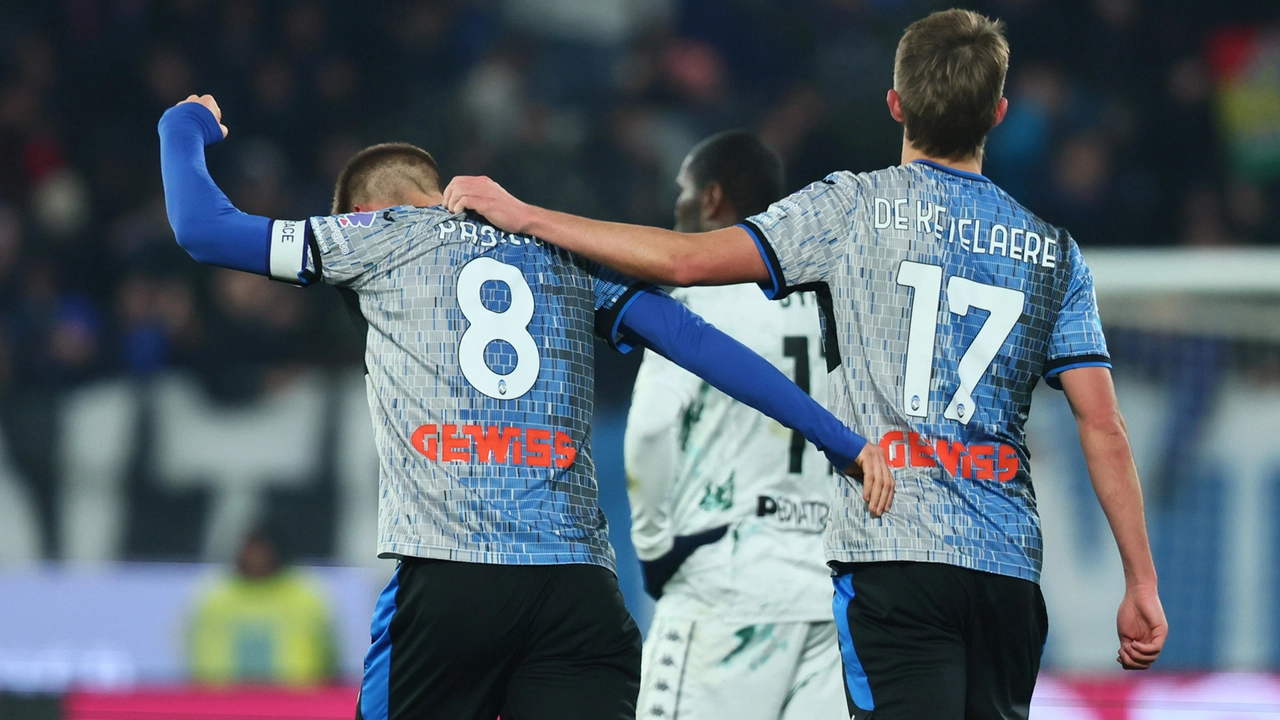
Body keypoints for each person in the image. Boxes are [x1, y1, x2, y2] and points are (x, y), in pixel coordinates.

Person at [441, 8, 1169, 719]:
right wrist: (1140, 579)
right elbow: (1101, 423)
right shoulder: (1054, 251)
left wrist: (527, 215)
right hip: (1007, 571)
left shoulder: (852, 207)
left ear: (896, 103)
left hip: (896, 550)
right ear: (1000, 113)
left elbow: (685, 261)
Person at [157, 95, 892, 720]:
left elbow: (200, 227)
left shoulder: (374, 239)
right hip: (578, 594)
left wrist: (183, 123)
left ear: (362, 210)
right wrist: (839, 440)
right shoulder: (555, 245)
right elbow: (690, 336)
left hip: (453, 582)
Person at [626, 130, 847, 720]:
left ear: (713, 200)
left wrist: (653, 548)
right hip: (825, 586)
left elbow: (650, 428)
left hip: (728, 580)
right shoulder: (831, 305)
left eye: (683, 192)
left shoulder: (697, 300)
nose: (676, 205)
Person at [188, 528, 337, 686]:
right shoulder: (215, 601)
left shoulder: (306, 599)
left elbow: (325, 658)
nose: (256, 559)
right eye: (251, 551)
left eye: (261, 551)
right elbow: (202, 662)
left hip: (295, 702)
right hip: (225, 703)